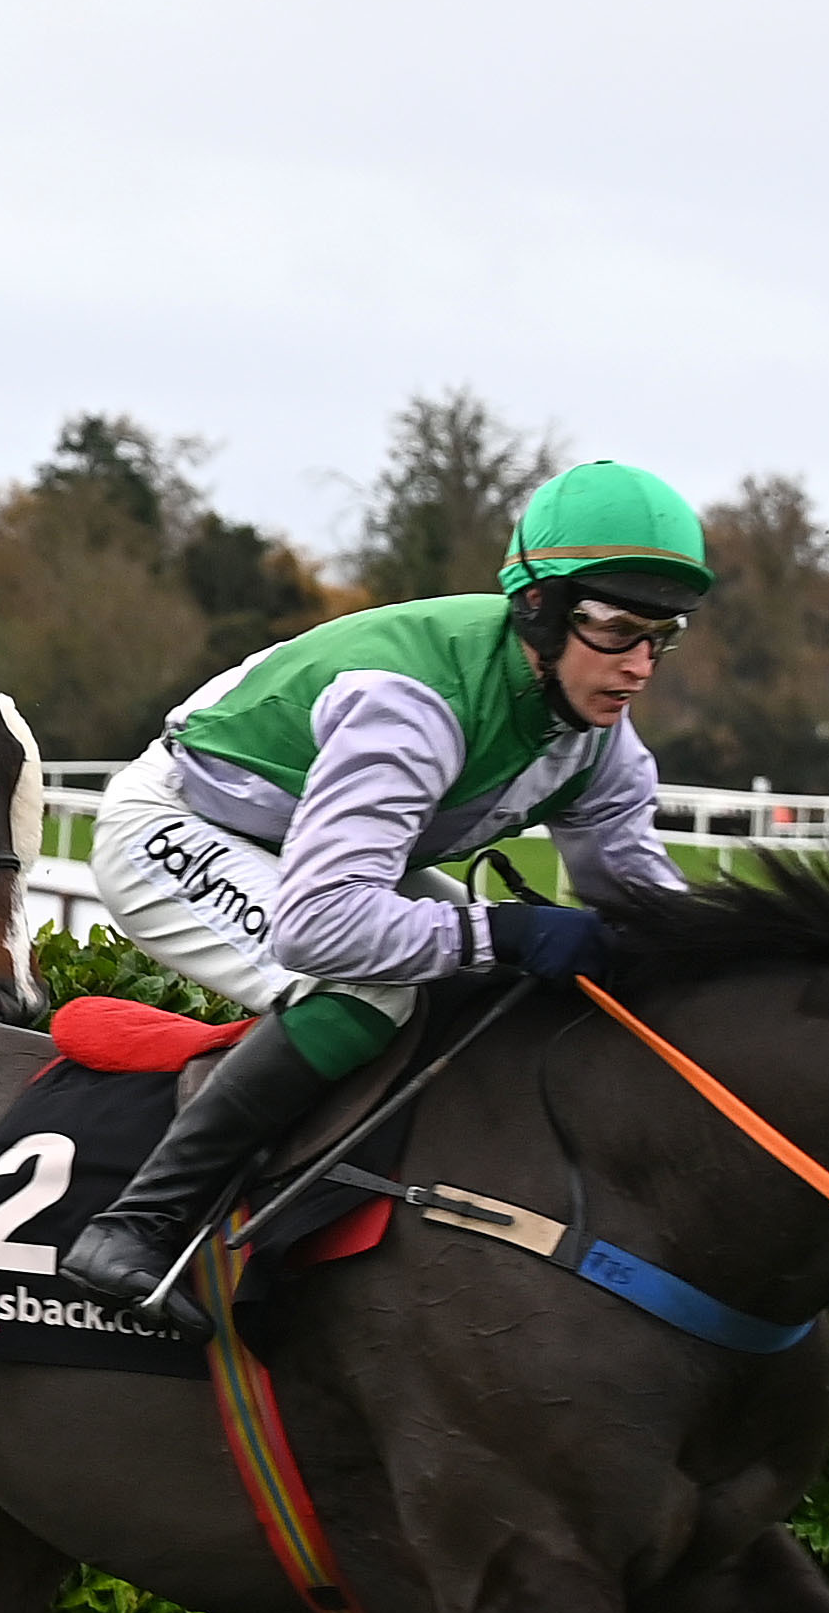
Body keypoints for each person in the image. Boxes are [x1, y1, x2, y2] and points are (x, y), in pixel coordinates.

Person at [53, 460, 714, 1322]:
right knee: (373, 984)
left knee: (494, 982)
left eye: (662, 637)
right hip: (179, 829)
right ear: (538, 610)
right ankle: (137, 1225)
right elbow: (322, 926)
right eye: (618, 630)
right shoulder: (412, 704)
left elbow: (648, 912)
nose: (639, 667)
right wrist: (506, 933)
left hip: (323, 847)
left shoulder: (600, 742)